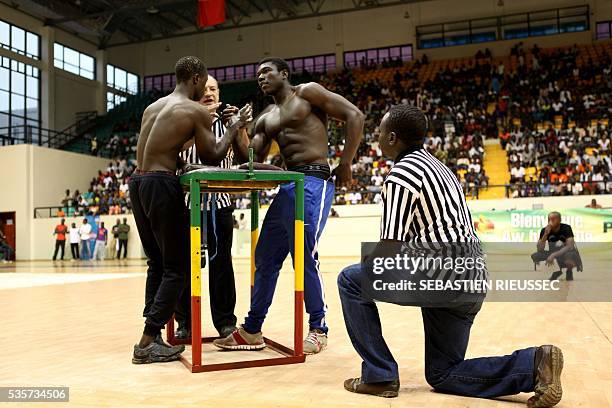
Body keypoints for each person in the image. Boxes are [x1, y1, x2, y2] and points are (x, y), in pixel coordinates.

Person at [337, 105, 563, 407]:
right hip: (472, 275)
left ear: (392, 138)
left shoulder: (401, 174)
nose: (376, 138)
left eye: (378, 133)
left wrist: (368, 264)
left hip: (440, 275)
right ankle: (535, 364)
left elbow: (389, 248)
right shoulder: (440, 167)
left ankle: (379, 375)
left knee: (351, 281)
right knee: (443, 373)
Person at [214, 57, 364, 354]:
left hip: (314, 181)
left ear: (284, 74)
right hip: (288, 184)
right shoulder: (267, 115)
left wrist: (346, 161)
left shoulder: (307, 92)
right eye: (257, 74)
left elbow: (354, 115)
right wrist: (238, 128)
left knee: (304, 254)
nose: (260, 77)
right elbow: (252, 156)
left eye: (266, 71)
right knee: (265, 256)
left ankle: (319, 328)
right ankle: (253, 330)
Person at [129, 56, 250, 364]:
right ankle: (146, 340)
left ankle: (152, 334)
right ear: (196, 79)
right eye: (204, 83)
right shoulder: (195, 110)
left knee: (157, 262)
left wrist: (182, 163)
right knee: (179, 267)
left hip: (138, 181)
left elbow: (154, 149)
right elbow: (213, 155)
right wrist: (234, 125)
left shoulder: (153, 107)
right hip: (161, 184)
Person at [175, 74, 249, 339]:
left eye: (214, 88)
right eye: (205, 89)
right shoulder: (183, 120)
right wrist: (198, 121)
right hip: (186, 204)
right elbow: (173, 153)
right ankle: (185, 323)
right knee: (184, 266)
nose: (210, 93)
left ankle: (225, 322)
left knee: (222, 265)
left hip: (219, 203)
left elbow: (245, 157)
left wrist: (238, 127)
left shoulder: (229, 121)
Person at [532, 211, 582, 281]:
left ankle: (569, 271)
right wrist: (545, 235)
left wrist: (553, 255)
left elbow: (569, 246)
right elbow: (539, 249)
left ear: (559, 220)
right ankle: (557, 271)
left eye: (553, 219)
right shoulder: (544, 230)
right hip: (553, 252)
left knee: (570, 255)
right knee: (535, 256)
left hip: (566, 253)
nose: (550, 221)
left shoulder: (566, 228)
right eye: (549, 219)